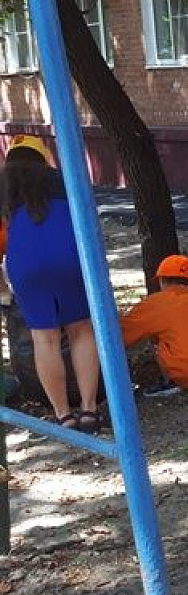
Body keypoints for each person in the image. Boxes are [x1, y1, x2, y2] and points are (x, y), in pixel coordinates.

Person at [0, 135, 102, 434]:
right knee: (82, 330)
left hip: (26, 262)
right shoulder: (64, 177)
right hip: (69, 255)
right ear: (42, 158)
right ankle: (89, 409)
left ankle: (62, 415)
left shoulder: (4, 186)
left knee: (45, 339)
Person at [120, 255, 188, 397]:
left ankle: (173, 382)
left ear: (162, 280)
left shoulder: (155, 304)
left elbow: (121, 336)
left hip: (186, 373)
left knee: (157, 338)